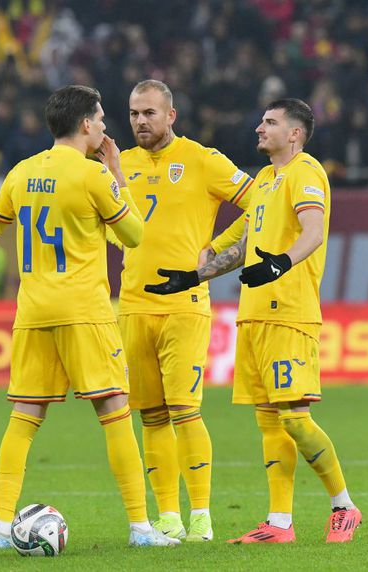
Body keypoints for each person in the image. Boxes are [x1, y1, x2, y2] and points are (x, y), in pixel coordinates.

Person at [0, 85, 179, 549]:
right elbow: (134, 234)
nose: (106, 128)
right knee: (115, 411)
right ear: (85, 124)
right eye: (102, 119)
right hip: (84, 311)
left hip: (33, 311)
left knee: (24, 417)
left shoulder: (22, 173)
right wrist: (118, 173)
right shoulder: (92, 176)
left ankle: (1, 530)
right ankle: (142, 529)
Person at [145, 98, 361, 543]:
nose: (259, 128)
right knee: (270, 421)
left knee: (295, 418)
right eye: (261, 121)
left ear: (295, 133)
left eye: (270, 122)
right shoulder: (265, 179)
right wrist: (193, 274)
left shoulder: (306, 172)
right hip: (254, 316)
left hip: (290, 314)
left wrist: (281, 263)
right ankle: (279, 522)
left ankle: (344, 506)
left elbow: (314, 231)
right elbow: (241, 243)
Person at [110, 79, 253, 542]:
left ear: (171, 116)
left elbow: (261, 206)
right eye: (133, 113)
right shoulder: (119, 165)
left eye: (149, 113)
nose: (140, 121)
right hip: (132, 305)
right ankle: (167, 515)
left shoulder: (203, 160)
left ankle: (202, 517)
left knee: (186, 411)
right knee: (150, 415)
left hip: (184, 305)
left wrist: (216, 249)